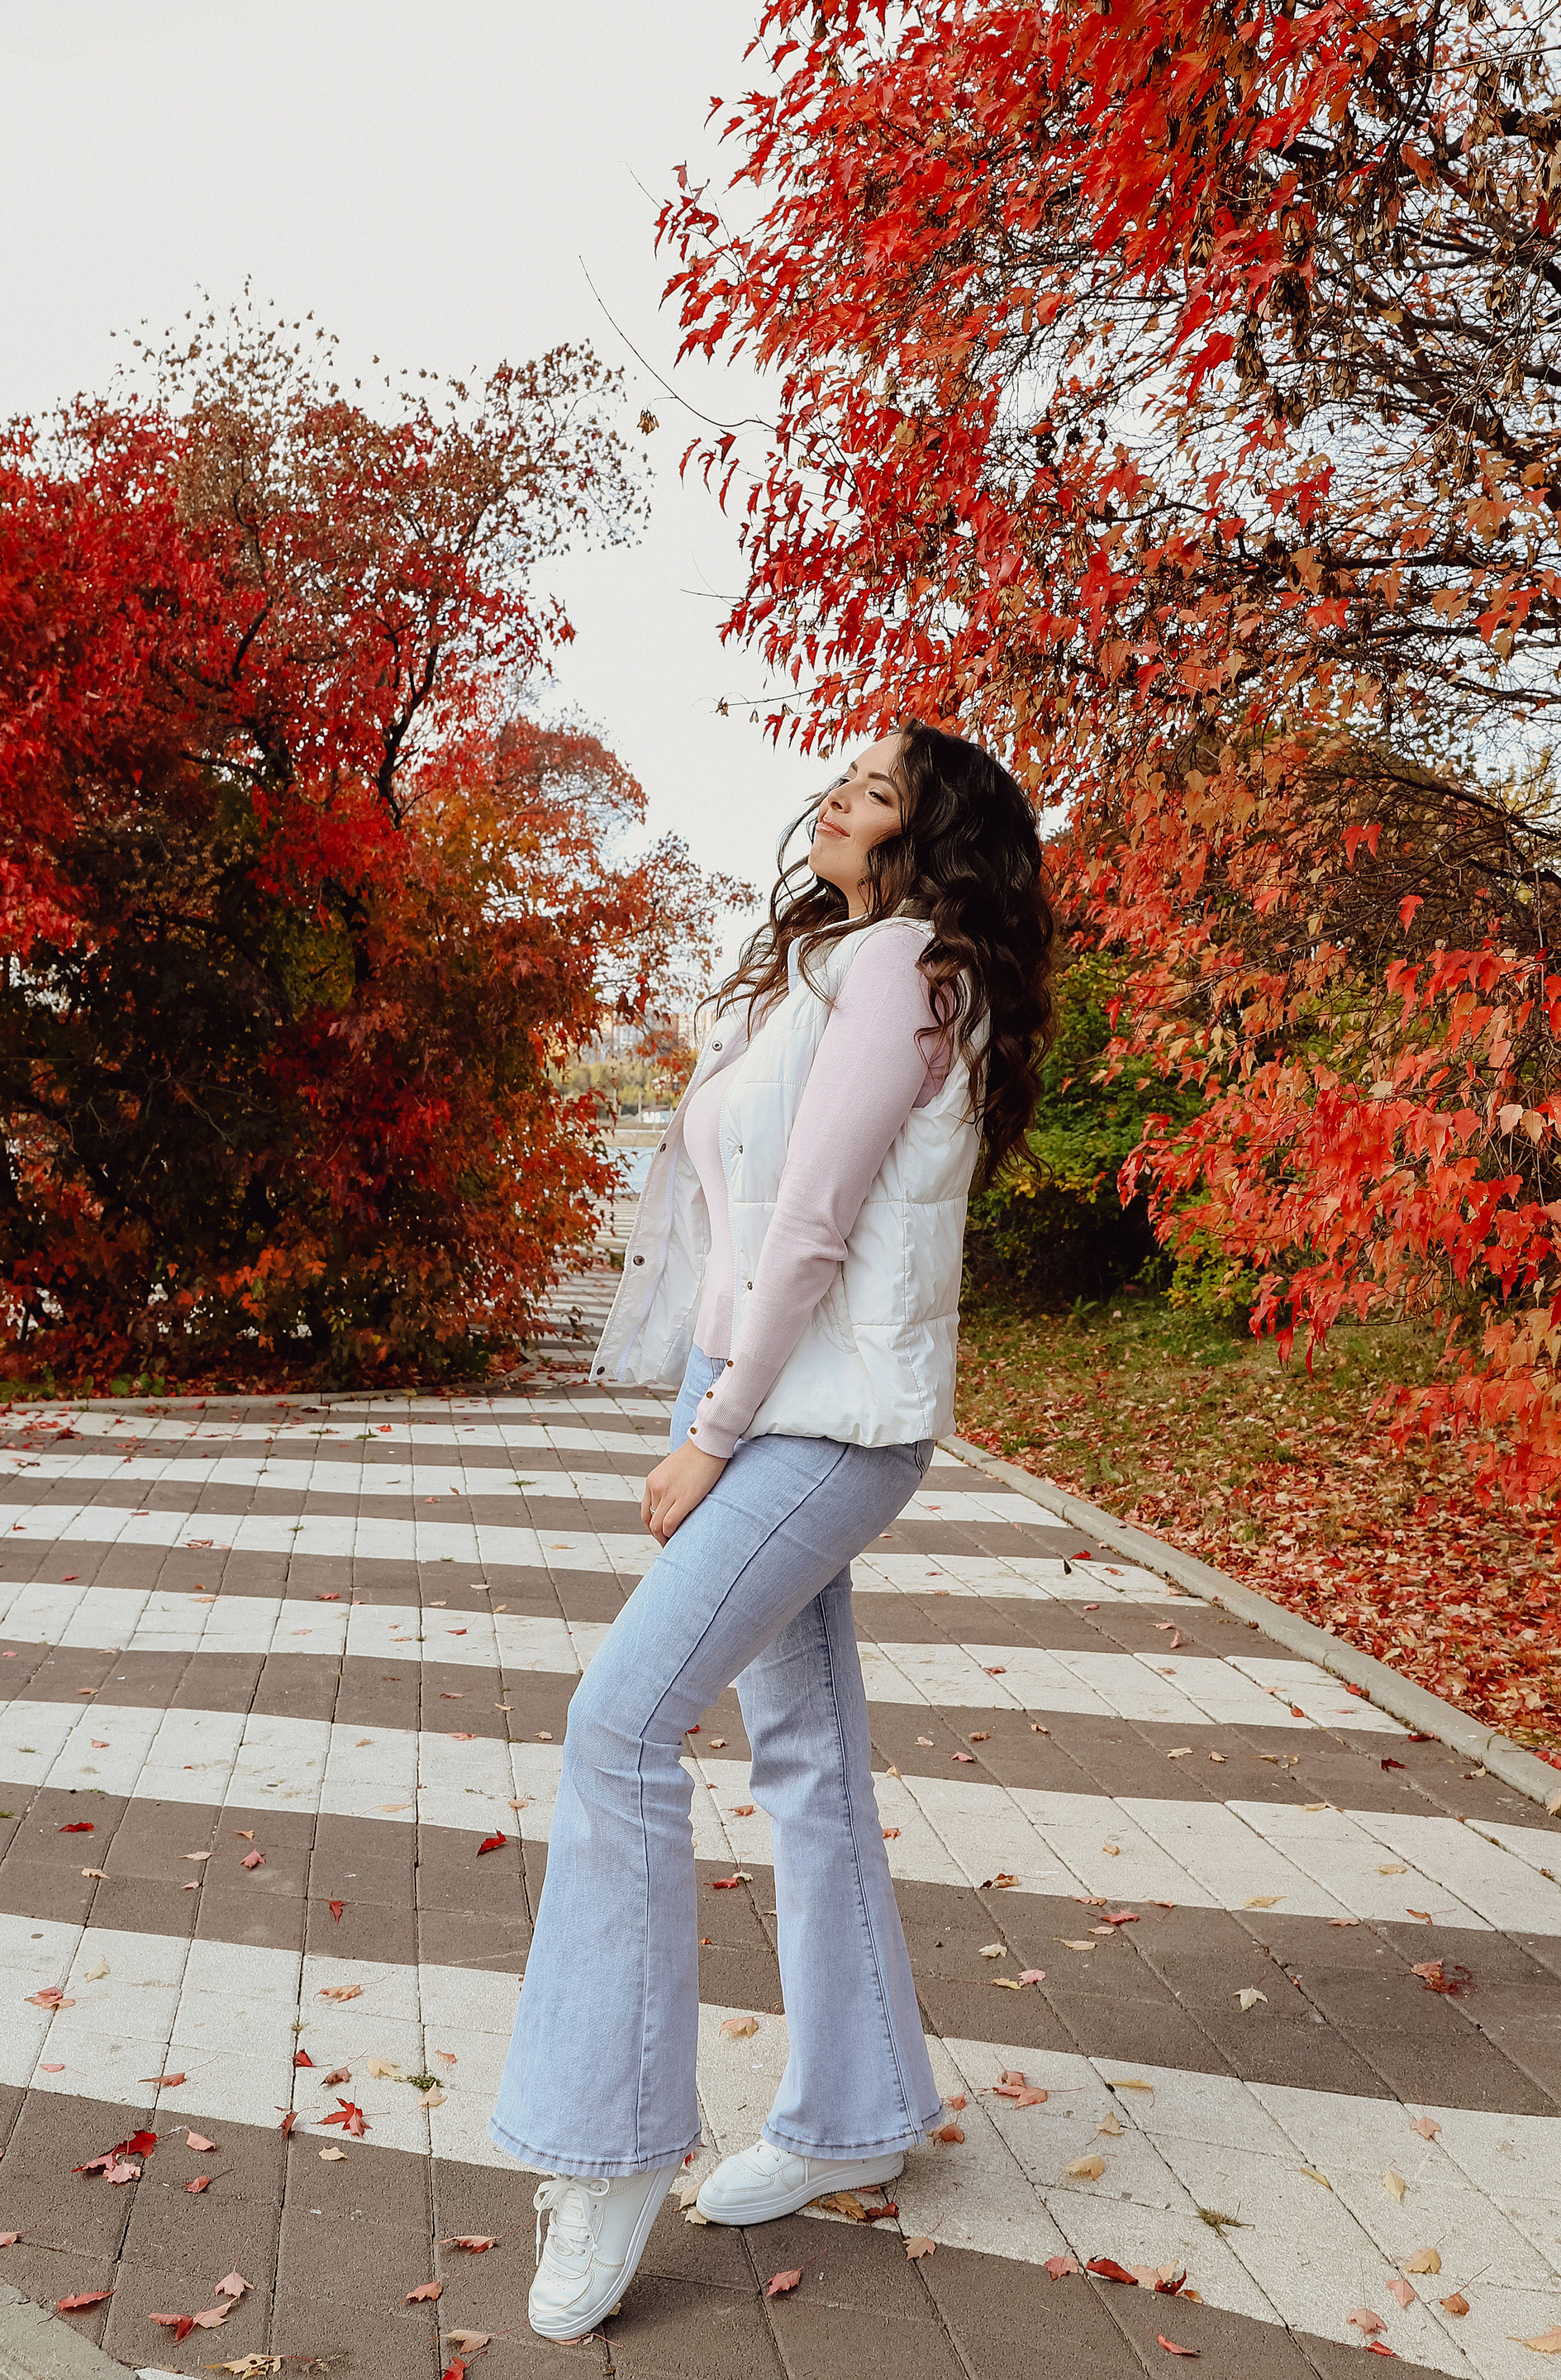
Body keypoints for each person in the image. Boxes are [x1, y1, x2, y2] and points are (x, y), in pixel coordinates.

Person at [489, 719, 1058, 2340]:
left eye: (873, 793)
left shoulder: (907, 971)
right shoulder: (829, 964)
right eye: (842, 780)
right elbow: (736, 1216)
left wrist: (715, 1434)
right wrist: (705, 1396)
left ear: (926, 841)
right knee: (804, 1753)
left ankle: (607, 2149)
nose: (835, 800)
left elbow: (812, 1220)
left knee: (619, 1726)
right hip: (758, 1393)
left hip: (821, 1422)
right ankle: (854, 2116)